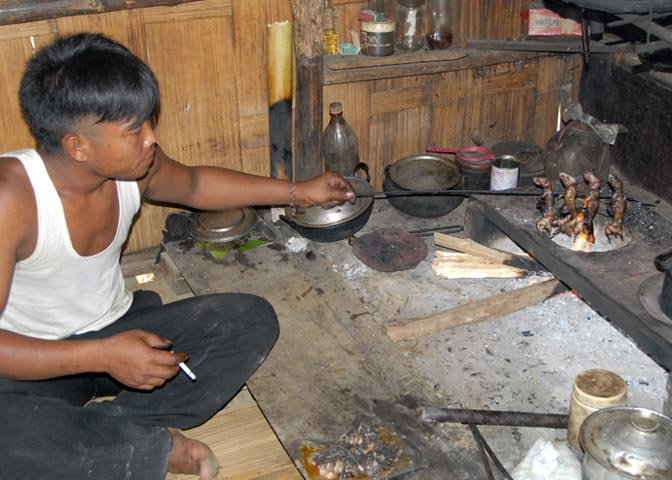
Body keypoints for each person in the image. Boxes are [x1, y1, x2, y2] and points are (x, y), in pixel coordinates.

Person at [0, 32, 354, 479]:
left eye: (148, 122)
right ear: (77, 146)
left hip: (122, 331)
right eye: (135, 130)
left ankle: (115, 438)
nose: (151, 139)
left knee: (249, 320)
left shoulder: (133, 166)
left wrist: (297, 191)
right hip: (31, 362)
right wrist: (101, 356)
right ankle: (141, 443)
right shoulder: (11, 198)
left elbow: (193, 185)